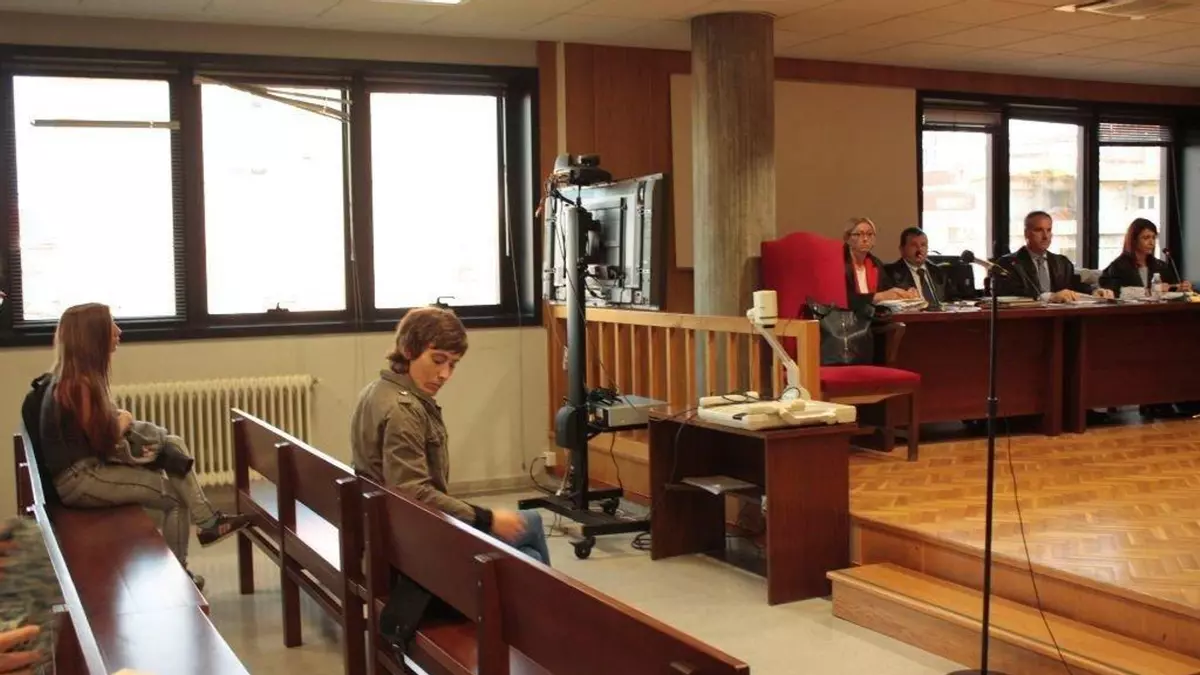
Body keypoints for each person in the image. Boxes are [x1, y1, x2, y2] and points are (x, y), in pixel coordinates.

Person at [37, 303, 249, 589]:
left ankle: (208, 522)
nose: (118, 331)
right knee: (174, 498)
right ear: (93, 335)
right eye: (111, 325)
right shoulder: (78, 385)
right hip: (81, 480)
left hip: (85, 472)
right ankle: (181, 576)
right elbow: (103, 441)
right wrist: (124, 421)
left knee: (171, 446)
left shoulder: (75, 378)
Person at [351, 306, 551, 565]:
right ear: (409, 350)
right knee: (531, 523)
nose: (445, 374)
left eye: (452, 364)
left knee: (530, 556)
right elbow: (413, 493)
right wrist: (486, 518)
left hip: (389, 528)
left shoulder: (376, 390)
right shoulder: (404, 411)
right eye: (437, 360)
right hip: (412, 542)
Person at [995, 211, 1114, 302]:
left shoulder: (1062, 262)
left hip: (1060, 319)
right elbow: (1010, 293)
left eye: (1049, 230)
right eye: (1039, 230)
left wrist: (1094, 291)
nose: (1045, 236)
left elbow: (1074, 285)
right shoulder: (1009, 263)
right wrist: (1050, 297)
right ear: (1026, 233)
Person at [1099, 218, 1193, 295]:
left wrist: (1180, 289)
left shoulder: (1160, 266)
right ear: (1134, 240)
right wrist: (1150, 291)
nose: (1151, 242)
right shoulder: (1118, 266)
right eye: (1146, 238)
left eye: (1153, 237)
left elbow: (1171, 290)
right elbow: (1113, 293)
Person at [841, 217, 918, 307]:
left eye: (870, 234)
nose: (865, 238)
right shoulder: (839, 263)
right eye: (858, 234)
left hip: (873, 314)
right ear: (847, 238)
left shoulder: (875, 264)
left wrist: (905, 292)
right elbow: (842, 297)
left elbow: (888, 289)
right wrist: (877, 297)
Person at [880, 227, 959, 306]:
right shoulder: (889, 273)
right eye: (914, 245)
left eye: (923, 245)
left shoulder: (939, 273)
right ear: (902, 249)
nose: (919, 249)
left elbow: (953, 301)